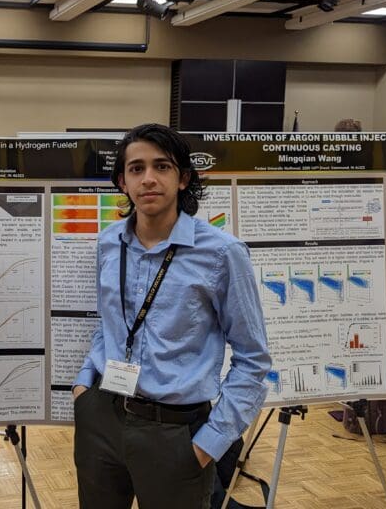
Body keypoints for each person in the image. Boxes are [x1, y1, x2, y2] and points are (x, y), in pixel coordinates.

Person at [73, 123, 271, 509]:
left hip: (175, 433)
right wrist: (84, 387)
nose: (148, 179)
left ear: (182, 179)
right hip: (102, 417)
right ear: (122, 182)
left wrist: (209, 443)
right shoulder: (108, 243)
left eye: (161, 167)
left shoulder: (222, 253)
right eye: (136, 169)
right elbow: (109, 324)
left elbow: (253, 360)